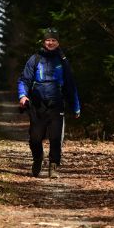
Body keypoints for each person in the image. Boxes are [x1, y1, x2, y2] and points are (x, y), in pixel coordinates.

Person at [18, 28, 80, 178]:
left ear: (58, 43)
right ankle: (38, 158)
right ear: (43, 42)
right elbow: (24, 79)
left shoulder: (63, 61)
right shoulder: (34, 59)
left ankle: (53, 166)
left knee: (55, 137)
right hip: (37, 105)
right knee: (35, 138)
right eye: (48, 40)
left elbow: (70, 84)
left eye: (53, 40)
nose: (50, 43)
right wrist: (22, 95)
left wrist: (76, 106)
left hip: (56, 104)